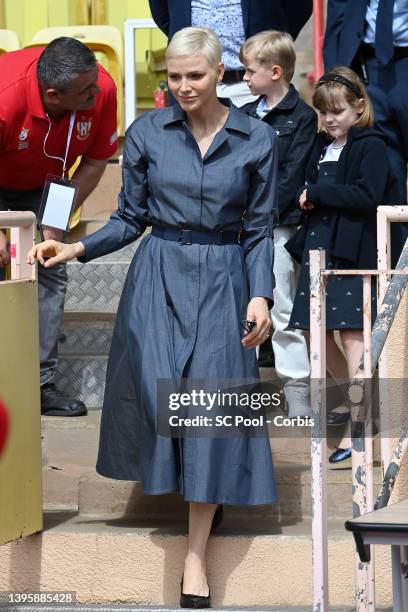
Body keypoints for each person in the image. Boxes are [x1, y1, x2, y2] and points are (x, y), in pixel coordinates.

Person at [28, 27, 278, 607]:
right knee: (159, 391)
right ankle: (196, 492)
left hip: (224, 274)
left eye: (195, 75)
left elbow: (260, 229)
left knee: (215, 401)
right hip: (158, 272)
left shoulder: (257, 138)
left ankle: (194, 560)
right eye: (173, 76)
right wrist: (75, 247)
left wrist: (260, 294)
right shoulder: (146, 133)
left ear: (220, 74)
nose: (184, 87)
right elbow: (129, 217)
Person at [285, 67, 400, 464]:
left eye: (337, 111)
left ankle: (361, 429)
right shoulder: (322, 145)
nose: (330, 119)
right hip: (319, 249)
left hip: (352, 252)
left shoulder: (372, 145)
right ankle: (354, 403)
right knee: (313, 335)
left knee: (353, 338)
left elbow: (367, 195)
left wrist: (317, 192)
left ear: (359, 107)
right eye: (324, 112)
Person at [0, 37, 118, 417]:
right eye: (86, 92)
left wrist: (54, 222)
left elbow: (97, 161)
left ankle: (39, 384)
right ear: (53, 94)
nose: (96, 92)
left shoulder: (99, 87)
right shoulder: (5, 97)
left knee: (51, 267)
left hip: (49, 183)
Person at [240, 30, 317, 417]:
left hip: (278, 226)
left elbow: (292, 176)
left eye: (249, 71)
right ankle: (246, 387)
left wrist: (262, 212)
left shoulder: (301, 119)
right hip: (244, 227)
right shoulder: (244, 116)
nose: (244, 78)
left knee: (283, 309)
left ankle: (297, 389)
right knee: (243, 307)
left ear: (274, 71)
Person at [324, 0, 408, 209]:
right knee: (385, 157)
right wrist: (335, 75)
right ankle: (394, 236)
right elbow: (338, 13)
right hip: (368, 65)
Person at [149, 0, 313, 106]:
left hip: (255, 86)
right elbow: (163, 14)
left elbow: (299, 9)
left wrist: (274, 45)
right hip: (194, 87)